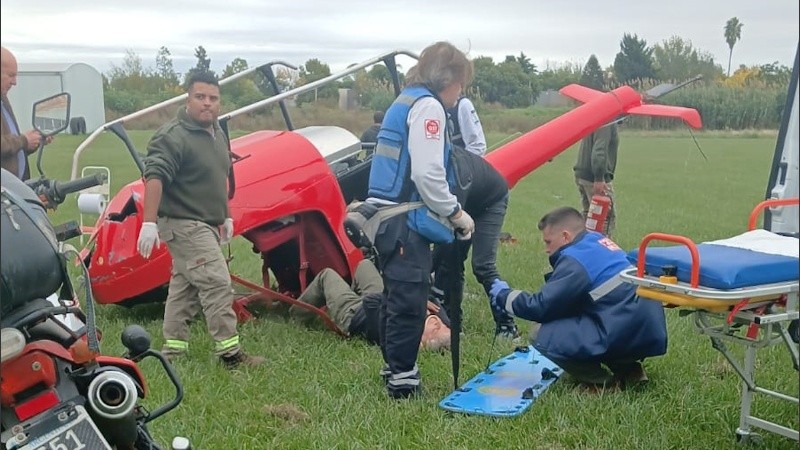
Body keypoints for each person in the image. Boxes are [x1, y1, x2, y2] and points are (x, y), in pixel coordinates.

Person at [366, 41, 475, 399]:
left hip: (383, 218)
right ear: (448, 78)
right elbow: (428, 175)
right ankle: (403, 383)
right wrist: (456, 213)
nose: (460, 93)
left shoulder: (404, 100)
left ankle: (392, 369)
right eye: (460, 84)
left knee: (392, 297)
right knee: (409, 301)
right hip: (404, 220)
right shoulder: (428, 107)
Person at [136, 71, 264, 370]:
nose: (207, 104)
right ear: (188, 99)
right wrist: (149, 222)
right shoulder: (173, 136)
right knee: (217, 282)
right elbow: (154, 177)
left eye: (213, 98)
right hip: (183, 223)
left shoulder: (216, 133)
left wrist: (226, 216)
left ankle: (173, 351)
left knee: (185, 287)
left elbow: (218, 177)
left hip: (205, 223)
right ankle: (230, 355)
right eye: (200, 97)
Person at [488, 206, 667, 390]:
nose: (546, 249)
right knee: (591, 319)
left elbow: (541, 307)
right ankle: (630, 371)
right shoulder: (598, 240)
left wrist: (505, 296)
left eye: (548, 242)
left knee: (540, 333)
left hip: (624, 329)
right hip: (647, 328)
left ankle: (602, 384)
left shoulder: (576, 259)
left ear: (565, 236)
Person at [430, 145, 520, 341]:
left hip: (489, 202)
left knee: (482, 265)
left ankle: (507, 325)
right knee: (450, 262)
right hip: (463, 205)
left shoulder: (454, 169)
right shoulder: (426, 166)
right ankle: (453, 321)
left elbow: (448, 236)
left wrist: (427, 271)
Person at [289, 259, 452, 351]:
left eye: (436, 328)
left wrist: (410, 300)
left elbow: (371, 302)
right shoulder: (438, 320)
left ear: (421, 344)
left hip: (355, 313)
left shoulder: (399, 332)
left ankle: (294, 316)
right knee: (364, 264)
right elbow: (437, 306)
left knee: (327, 275)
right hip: (381, 299)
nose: (438, 321)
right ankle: (346, 292)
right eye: (443, 325)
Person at [1, 46, 48, 181]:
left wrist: (34, 140)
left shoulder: (3, 99)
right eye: (11, 75)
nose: (15, 82)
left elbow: (8, 152)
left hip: (14, 191)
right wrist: (23, 140)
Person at [573, 122, 619, 236]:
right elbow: (599, 150)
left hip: (583, 175)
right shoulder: (607, 122)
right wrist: (599, 178)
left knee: (588, 218)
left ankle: (583, 248)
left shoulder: (597, 117)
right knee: (605, 219)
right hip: (594, 178)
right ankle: (601, 251)